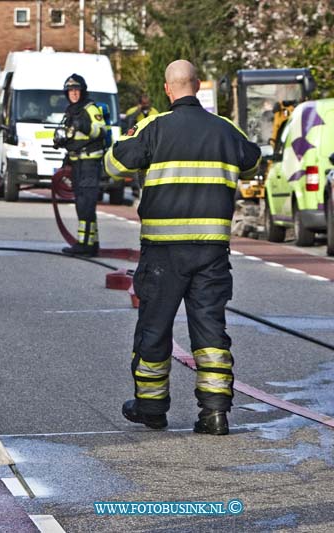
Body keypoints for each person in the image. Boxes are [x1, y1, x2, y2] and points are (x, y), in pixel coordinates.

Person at [104, 60, 261, 436]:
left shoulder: (153, 127)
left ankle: (151, 408)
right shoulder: (226, 129)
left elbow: (113, 165)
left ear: (168, 89)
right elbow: (253, 161)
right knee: (210, 331)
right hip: (211, 252)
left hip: (163, 252)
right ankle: (215, 413)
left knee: (154, 329)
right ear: (196, 85)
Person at [54, 74, 107, 256]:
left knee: (86, 205)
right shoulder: (71, 111)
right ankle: (92, 242)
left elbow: (101, 130)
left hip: (89, 163)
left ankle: (84, 244)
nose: (74, 94)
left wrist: (84, 125)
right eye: (70, 91)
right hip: (76, 163)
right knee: (82, 204)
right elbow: (71, 135)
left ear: (82, 91)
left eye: (76, 90)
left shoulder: (90, 108)